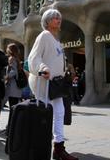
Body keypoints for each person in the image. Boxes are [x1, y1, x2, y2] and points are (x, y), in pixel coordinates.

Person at [28, 9, 78, 160]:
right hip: (44, 83)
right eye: (54, 17)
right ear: (47, 21)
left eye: (59, 17)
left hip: (56, 86)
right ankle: (42, 147)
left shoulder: (56, 40)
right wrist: (42, 69)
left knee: (59, 113)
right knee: (46, 116)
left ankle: (58, 148)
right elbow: (33, 58)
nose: (58, 19)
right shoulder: (44, 36)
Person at [4, 43, 23, 108]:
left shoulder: (12, 58)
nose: (6, 50)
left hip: (12, 86)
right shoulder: (16, 58)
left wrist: (6, 76)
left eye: (7, 48)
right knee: (13, 106)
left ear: (10, 50)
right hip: (16, 87)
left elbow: (14, 71)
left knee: (12, 106)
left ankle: (12, 118)